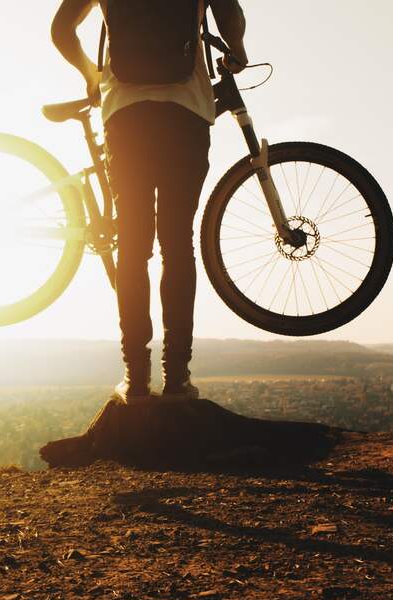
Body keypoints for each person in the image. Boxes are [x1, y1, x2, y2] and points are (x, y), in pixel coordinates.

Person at [52, 0, 248, 403]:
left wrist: (92, 74)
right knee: (177, 244)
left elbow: (61, 29)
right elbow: (228, 12)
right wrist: (238, 49)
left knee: (134, 244)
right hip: (187, 112)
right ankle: (177, 378)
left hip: (125, 115)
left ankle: (135, 379)